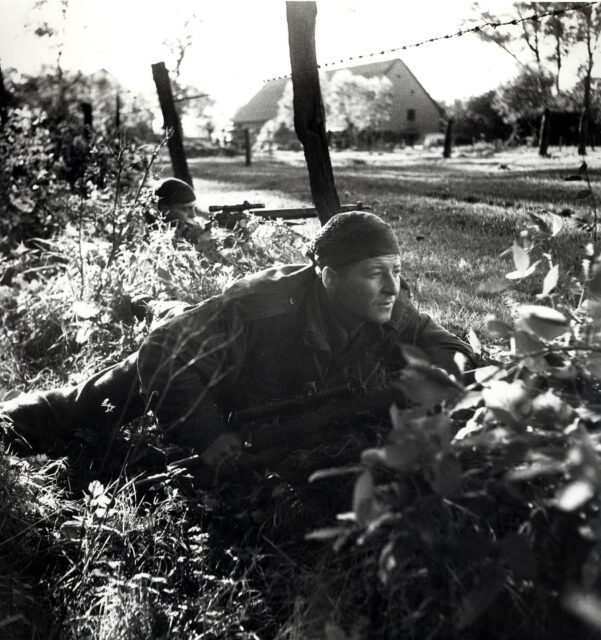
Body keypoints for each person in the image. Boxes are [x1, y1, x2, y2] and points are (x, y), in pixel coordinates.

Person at [0, 212, 473, 471]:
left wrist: (442, 380)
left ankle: (159, 303)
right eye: (376, 274)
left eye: (396, 271)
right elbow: (163, 352)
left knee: (182, 322)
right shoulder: (261, 306)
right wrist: (207, 435)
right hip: (209, 359)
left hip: (256, 386)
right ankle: (9, 418)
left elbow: (441, 341)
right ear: (328, 276)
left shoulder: (387, 303)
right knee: (95, 404)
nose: (392, 287)